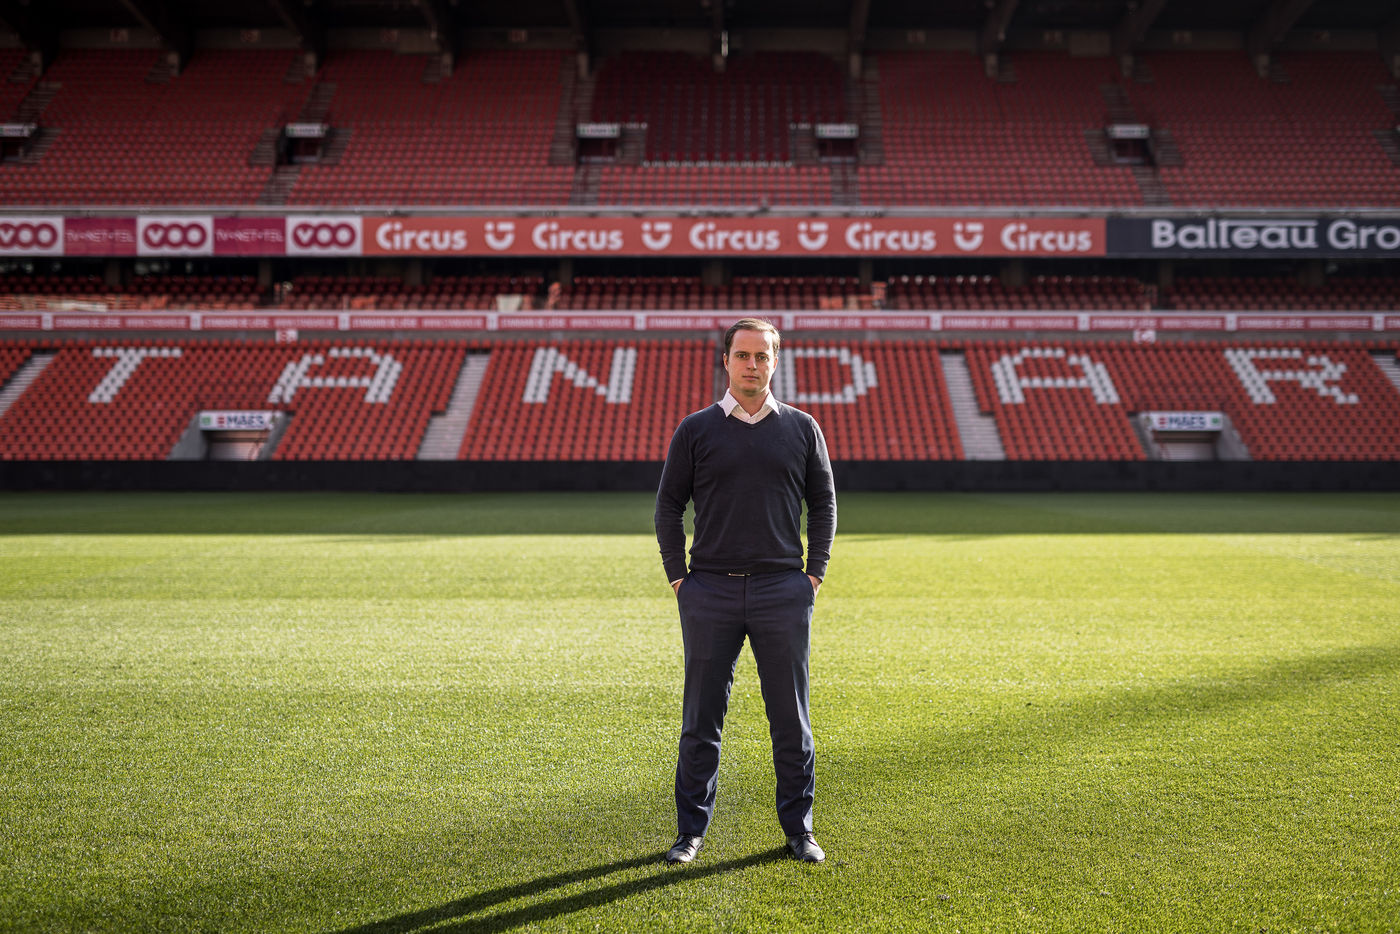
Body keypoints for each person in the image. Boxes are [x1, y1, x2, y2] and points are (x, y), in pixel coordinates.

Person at [654, 317, 837, 865]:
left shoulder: (803, 428)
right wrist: (679, 578)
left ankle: (800, 829)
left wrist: (814, 574)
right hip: (709, 590)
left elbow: (824, 504)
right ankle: (690, 832)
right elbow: (668, 506)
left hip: (783, 589)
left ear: (775, 362)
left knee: (791, 720)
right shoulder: (695, 429)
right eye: (742, 355)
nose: (752, 365)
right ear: (726, 361)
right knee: (701, 720)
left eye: (762, 356)